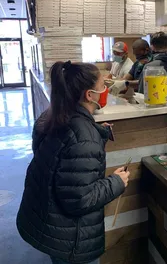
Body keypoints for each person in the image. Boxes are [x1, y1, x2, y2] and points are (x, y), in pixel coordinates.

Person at [16, 61, 130, 264]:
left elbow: (66, 154)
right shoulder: (82, 135)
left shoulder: (53, 116)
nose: (105, 91)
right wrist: (116, 182)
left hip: (49, 222)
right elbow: (80, 200)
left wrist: (96, 132)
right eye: (102, 86)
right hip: (71, 240)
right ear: (89, 95)